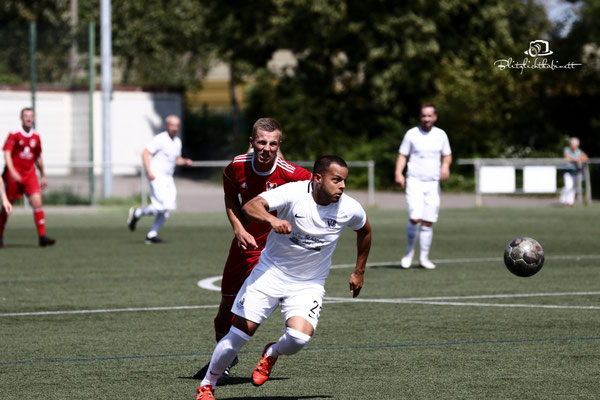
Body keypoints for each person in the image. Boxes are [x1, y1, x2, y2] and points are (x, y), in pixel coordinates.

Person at [195, 155, 372, 400]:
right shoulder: (294, 192)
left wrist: (359, 271)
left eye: (344, 181)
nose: (342, 186)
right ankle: (207, 385)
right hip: (271, 274)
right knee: (239, 335)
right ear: (317, 178)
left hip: (309, 284)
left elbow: (365, 231)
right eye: (336, 180)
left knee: (299, 338)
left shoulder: (349, 207)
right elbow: (250, 206)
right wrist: (272, 219)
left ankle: (272, 352)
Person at [194, 118, 312, 381]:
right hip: (245, 246)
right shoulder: (237, 166)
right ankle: (225, 358)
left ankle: (272, 350)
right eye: (261, 142)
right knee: (225, 309)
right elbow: (230, 196)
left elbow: (316, 194)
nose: (266, 149)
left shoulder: (293, 174)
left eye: (272, 144)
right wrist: (239, 229)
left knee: (251, 311)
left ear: (279, 145)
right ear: (252, 142)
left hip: (275, 252)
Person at [394, 103, 451, 270]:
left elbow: (447, 155)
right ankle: (409, 252)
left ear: (435, 117)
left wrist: (445, 166)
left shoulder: (441, 135)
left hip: (433, 183)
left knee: (428, 221)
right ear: (420, 117)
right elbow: (402, 155)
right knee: (414, 218)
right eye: (424, 115)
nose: (426, 119)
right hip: (414, 182)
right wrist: (398, 173)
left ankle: (424, 258)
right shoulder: (412, 134)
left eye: (429, 115)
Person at [127, 115, 192, 243]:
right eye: (172, 125)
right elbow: (145, 153)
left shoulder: (177, 142)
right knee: (160, 207)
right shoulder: (160, 139)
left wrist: (185, 161)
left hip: (168, 178)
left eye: (177, 126)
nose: (174, 128)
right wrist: (149, 171)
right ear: (166, 126)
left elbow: (176, 159)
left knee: (168, 208)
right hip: (156, 175)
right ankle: (137, 213)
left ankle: (151, 235)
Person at [1, 107, 55, 248]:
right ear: (21, 118)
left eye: (31, 116)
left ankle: (42, 237)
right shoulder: (14, 133)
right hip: (13, 176)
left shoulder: (36, 136)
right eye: (26, 116)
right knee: (7, 206)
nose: (28, 118)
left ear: (34, 118)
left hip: (30, 175)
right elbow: (7, 153)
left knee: (37, 202)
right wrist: (12, 171)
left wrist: (43, 175)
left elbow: (38, 157)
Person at [560, 137, 588, 207]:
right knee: (568, 186)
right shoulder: (567, 149)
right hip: (567, 171)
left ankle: (570, 202)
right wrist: (577, 159)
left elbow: (585, 158)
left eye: (576, 145)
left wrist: (578, 159)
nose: (575, 147)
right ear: (571, 144)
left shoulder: (578, 151)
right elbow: (567, 157)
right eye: (573, 145)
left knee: (572, 187)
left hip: (575, 172)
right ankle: (564, 200)